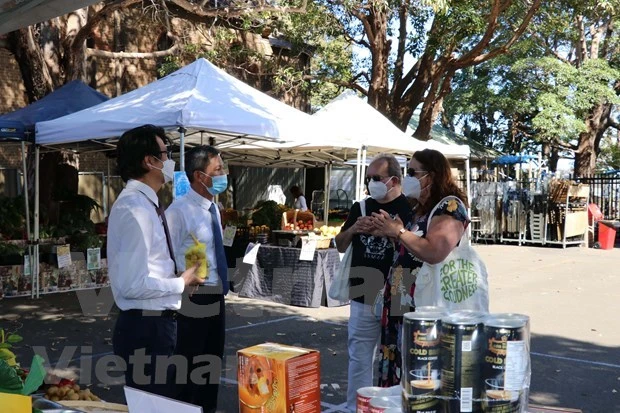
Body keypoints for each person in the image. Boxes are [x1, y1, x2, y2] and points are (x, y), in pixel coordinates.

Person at [108, 124, 202, 397]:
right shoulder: (134, 208)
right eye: (166, 153)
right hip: (145, 328)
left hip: (154, 325)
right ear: (149, 161)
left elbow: (150, 266)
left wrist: (179, 278)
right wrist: (179, 283)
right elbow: (132, 285)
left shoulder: (144, 203)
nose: (170, 161)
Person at [368, 149, 469, 387]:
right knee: (400, 375)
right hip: (401, 306)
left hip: (424, 310)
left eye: (413, 172)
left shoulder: (450, 207)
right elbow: (413, 248)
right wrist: (391, 232)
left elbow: (434, 252)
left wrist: (399, 232)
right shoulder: (419, 209)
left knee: (420, 377)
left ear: (431, 175)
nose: (408, 177)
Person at [334, 154, 412, 411]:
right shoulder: (361, 207)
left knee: (397, 358)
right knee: (359, 356)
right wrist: (353, 229)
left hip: (398, 293)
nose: (371, 183)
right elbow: (339, 244)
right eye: (368, 178)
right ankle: (355, 406)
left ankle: (393, 406)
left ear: (394, 180)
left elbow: (417, 251)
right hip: (362, 292)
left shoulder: (409, 208)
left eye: (376, 178)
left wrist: (394, 233)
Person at [166, 145, 229, 413]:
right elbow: (164, 254)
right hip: (192, 296)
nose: (223, 175)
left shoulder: (213, 208)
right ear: (199, 176)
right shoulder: (178, 212)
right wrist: (179, 280)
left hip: (216, 293)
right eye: (218, 170)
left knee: (212, 363)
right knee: (189, 365)